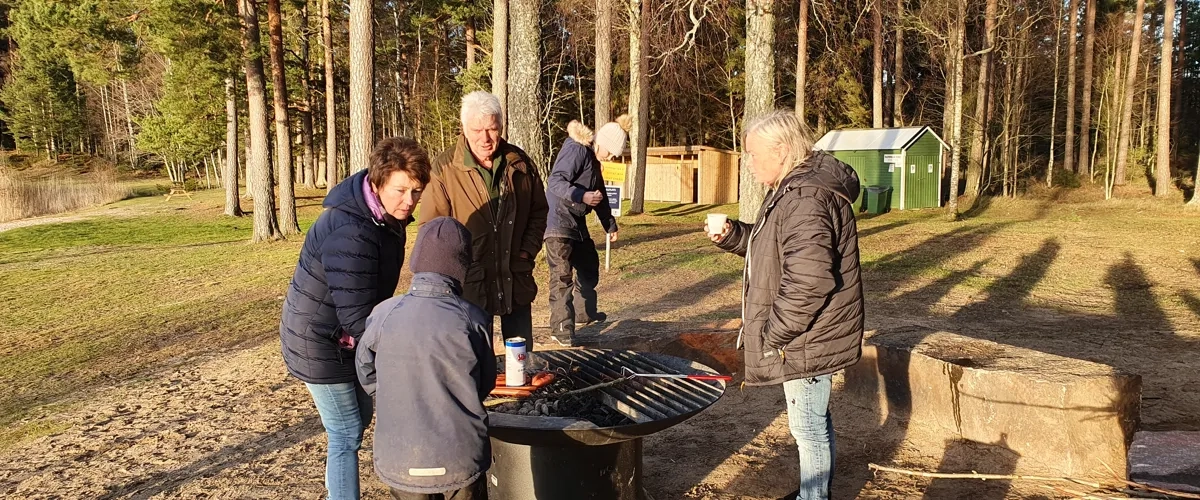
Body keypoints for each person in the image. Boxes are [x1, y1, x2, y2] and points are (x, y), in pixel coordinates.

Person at [708, 110, 863, 500]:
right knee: (814, 421)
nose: (750, 162)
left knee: (808, 428)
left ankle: (814, 497)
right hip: (806, 335)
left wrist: (773, 335)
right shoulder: (793, 188)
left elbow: (810, 281)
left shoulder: (804, 197)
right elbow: (773, 251)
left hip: (805, 338)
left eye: (754, 154)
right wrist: (732, 236)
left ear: (781, 150)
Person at [280, 137, 431, 500]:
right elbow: (358, 317)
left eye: (416, 192)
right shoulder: (354, 230)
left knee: (358, 420)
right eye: (400, 190)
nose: (408, 202)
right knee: (346, 432)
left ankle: (336, 485)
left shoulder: (381, 217)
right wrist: (403, 348)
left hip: (341, 338)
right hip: (317, 342)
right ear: (377, 182)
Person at [356, 216, 495, 500]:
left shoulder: (383, 314)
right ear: (461, 268)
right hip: (461, 455)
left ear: (417, 260)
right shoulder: (474, 319)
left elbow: (366, 373)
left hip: (400, 455)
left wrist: (396, 393)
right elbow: (485, 382)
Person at [419, 91, 548, 345]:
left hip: (515, 276)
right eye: (477, 130)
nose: (486, 138)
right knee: (474, 361)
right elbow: (433, 230)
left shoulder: (520, 163)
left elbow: (539, 211)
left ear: (501, 126)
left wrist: (526, 251)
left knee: (520, 358)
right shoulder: (445, 169)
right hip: (470, 283)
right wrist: (454, 270)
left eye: (492, 129)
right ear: (464, 128)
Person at [543, 116, 629, 346]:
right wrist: (582, 195)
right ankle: (561, 329)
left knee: (589, 266)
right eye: (610, 153)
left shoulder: (592, 159)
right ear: (601, 142)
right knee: (562, 275)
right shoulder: (576, 151)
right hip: (558, 222)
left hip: (576, 224)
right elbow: (555, 181)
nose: (611, 158)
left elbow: (599, 194)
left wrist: (609, 224)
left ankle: (584, 315)